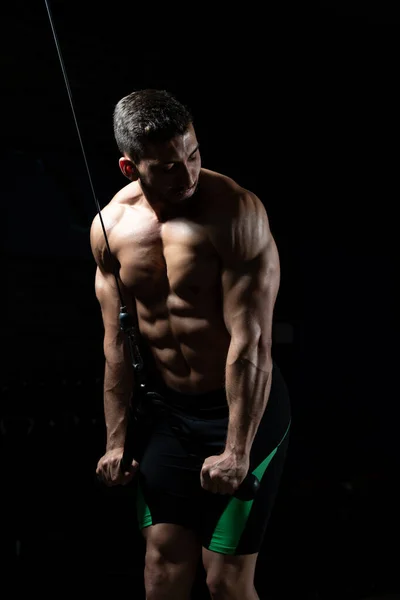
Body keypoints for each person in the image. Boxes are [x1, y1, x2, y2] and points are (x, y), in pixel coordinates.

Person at [92, 89, 291, 600]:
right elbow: (117, 342)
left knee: (225, 582)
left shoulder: (235, 214)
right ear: (128, 167)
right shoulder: (110, 228)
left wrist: (237, 450)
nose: (188, 174)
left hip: (241, 409)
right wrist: (116, 441)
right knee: (162, 570)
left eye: (194, 154)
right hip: (168, 415)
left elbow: (253, 340)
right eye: (167, 167)